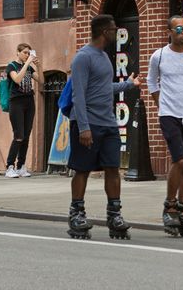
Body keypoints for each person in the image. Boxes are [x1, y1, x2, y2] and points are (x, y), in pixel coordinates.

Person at [66, 14, 142, 240]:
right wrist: (84, 127)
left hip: (108, 123)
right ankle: (76, 213)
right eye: (112, 29)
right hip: (87, 122)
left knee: (112, 167)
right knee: (82, 169)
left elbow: (103, 87)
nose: (115, 32)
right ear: (103, 32)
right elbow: (78, 94)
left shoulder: (104, 57)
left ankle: (114, 214)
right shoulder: (83, 57)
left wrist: (128, 85)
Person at [147, 15, 183, 238]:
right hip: (169, 114)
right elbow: (152, 81)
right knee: (178, 159)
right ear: (169, 32)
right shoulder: (159, 55)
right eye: (179, 28)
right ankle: (169, 206)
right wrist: (160, 103)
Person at [4, 43, 40, 178]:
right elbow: (17, 79)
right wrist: (27, 63)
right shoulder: (11, 66)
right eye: (25, 52)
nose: (27, 55)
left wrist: (39, 66)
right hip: (16, 102)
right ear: (17, 52)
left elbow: (41, 80)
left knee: (26, 135)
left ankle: (21, 166)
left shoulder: (30, 68)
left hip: (29, 101)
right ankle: (10, 166)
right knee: (19, 135)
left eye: (28, 53)